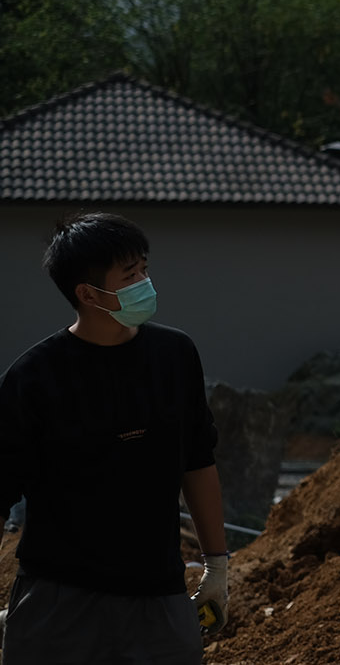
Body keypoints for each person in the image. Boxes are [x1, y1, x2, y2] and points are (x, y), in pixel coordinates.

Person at [0, 213, 229, 664]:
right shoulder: (34, 379)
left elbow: (198, 463)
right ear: (87, 293)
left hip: (157, 596)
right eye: (130, 275)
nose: (145, 282)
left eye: (144, 269)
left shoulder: (175, 357)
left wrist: (217, 565)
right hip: (57, 602)